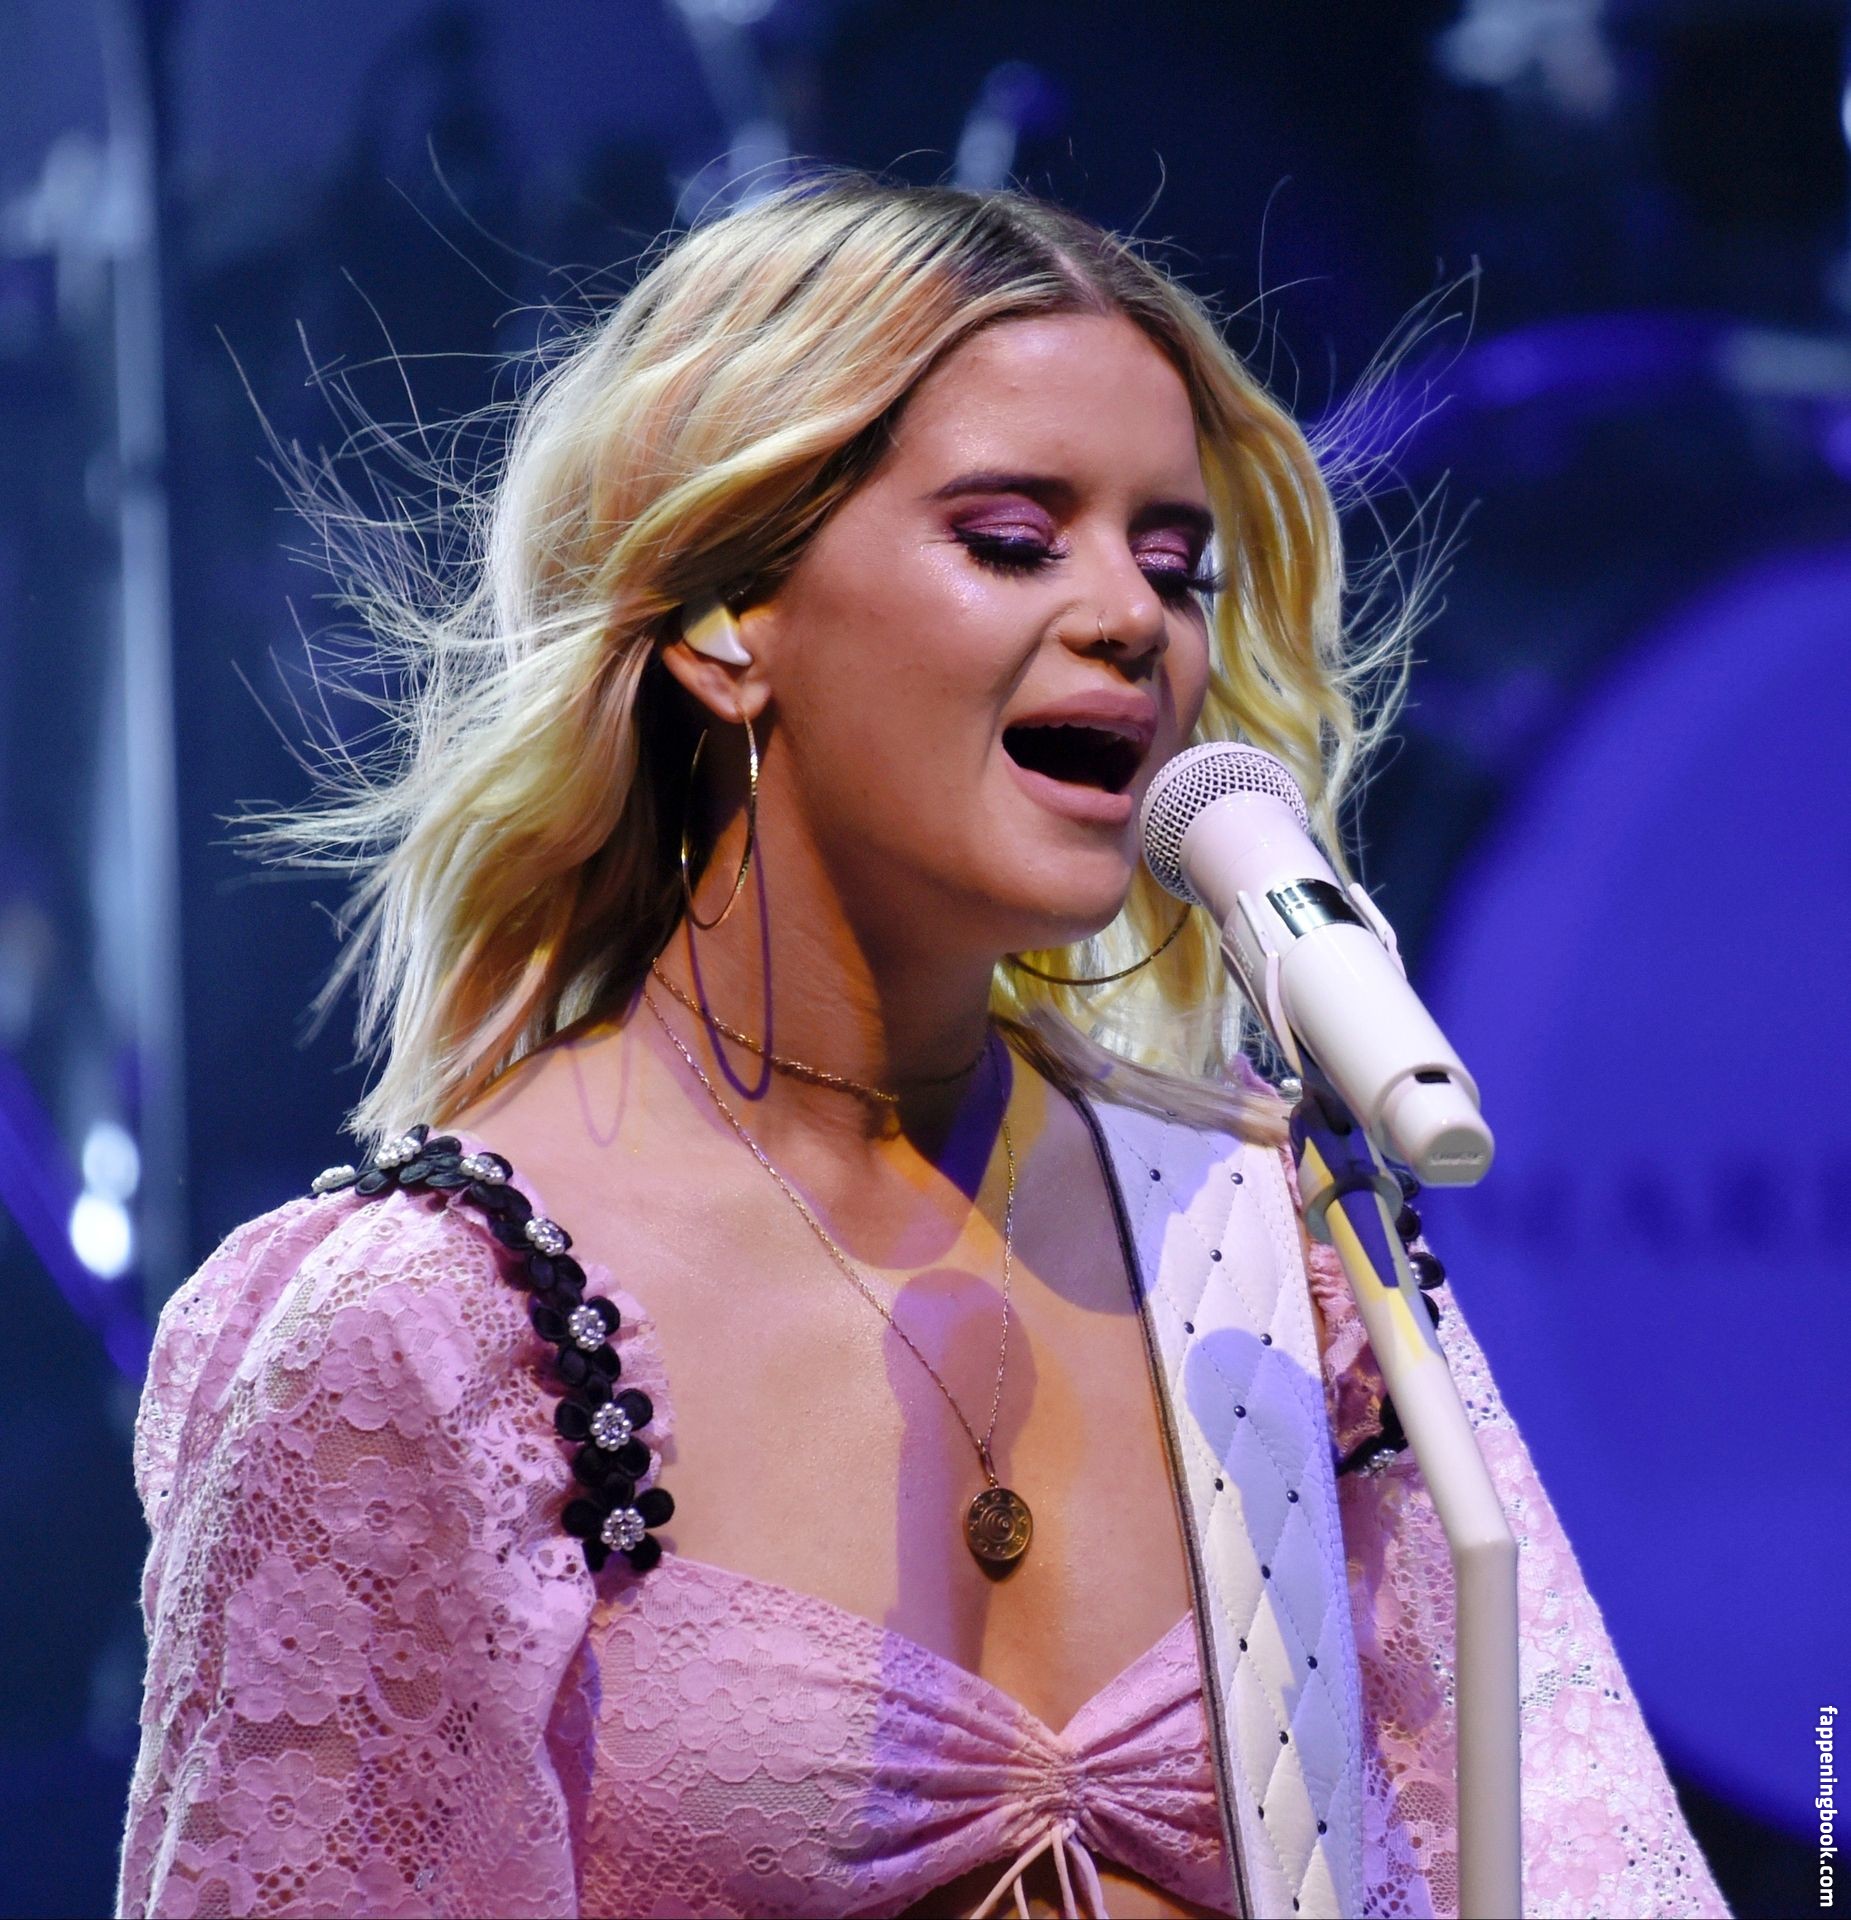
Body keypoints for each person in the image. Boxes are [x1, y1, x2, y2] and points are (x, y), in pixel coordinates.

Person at [115, 177, 1727, 1920]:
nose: (1133, 621)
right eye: (1016, 540)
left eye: (1175, 566)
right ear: (726, 619)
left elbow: (1573, 1860)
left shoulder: (1275, 1242)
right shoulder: (430, 1334)